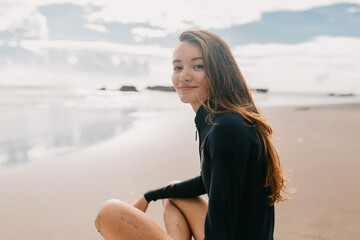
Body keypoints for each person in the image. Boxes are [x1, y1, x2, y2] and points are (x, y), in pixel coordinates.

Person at [94, 29, 289, 240]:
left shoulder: (226, 129)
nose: (184, 76)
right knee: (174, 196)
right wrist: (151, 195)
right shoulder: (223, 119)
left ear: (220, 72)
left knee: (109, 212)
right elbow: (210, 182)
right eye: (178, 67)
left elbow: (222, 226)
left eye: (198, 66)